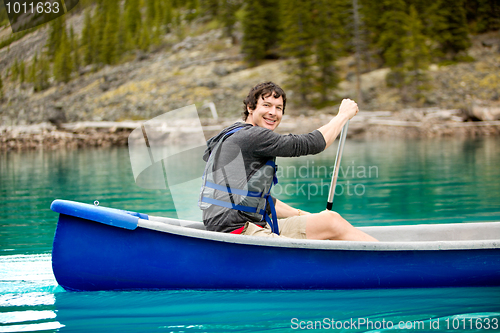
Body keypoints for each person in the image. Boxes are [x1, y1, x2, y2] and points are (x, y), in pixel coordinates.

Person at [199, 81, 377, 241]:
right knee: (331, 224)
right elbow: (312, 144)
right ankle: (387, 258)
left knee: (331, 220)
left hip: (241, 226)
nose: (273, 113)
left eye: (278, 108)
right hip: (238, 232)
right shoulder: (252, 136)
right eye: (266, 105)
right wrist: (343, 115)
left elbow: (260, 200)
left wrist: (303, 215)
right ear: (250, 108)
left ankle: (379, 253)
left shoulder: (234, 133)